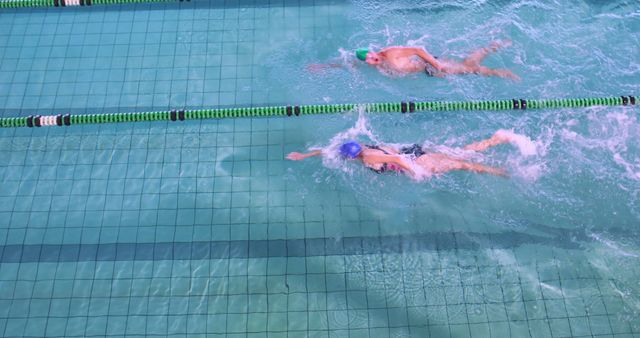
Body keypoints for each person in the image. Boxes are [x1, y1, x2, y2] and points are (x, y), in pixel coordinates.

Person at [286, 130, 530, 178]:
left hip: (415, 160)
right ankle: (494, 140)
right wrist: (305, 156)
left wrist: (417, 174)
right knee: (458, 154)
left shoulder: (368, 158)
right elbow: (329, 151)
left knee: (461, 164)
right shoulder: (362, 148)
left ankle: (498, 169)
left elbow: (395, 159)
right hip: (413, 150)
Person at [309, 40, 519, 80]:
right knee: (466, 66)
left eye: (372, 57)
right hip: (425, 72)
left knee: (469, 69)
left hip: (430, 66)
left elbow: (418, 49)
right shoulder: (375, 64)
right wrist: (323, 66)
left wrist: (435, 64)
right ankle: (490, 47)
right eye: (369, 61)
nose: (373, 61)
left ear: (374, 52)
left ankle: (500, 69)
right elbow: (348, 65)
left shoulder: (389, 53)